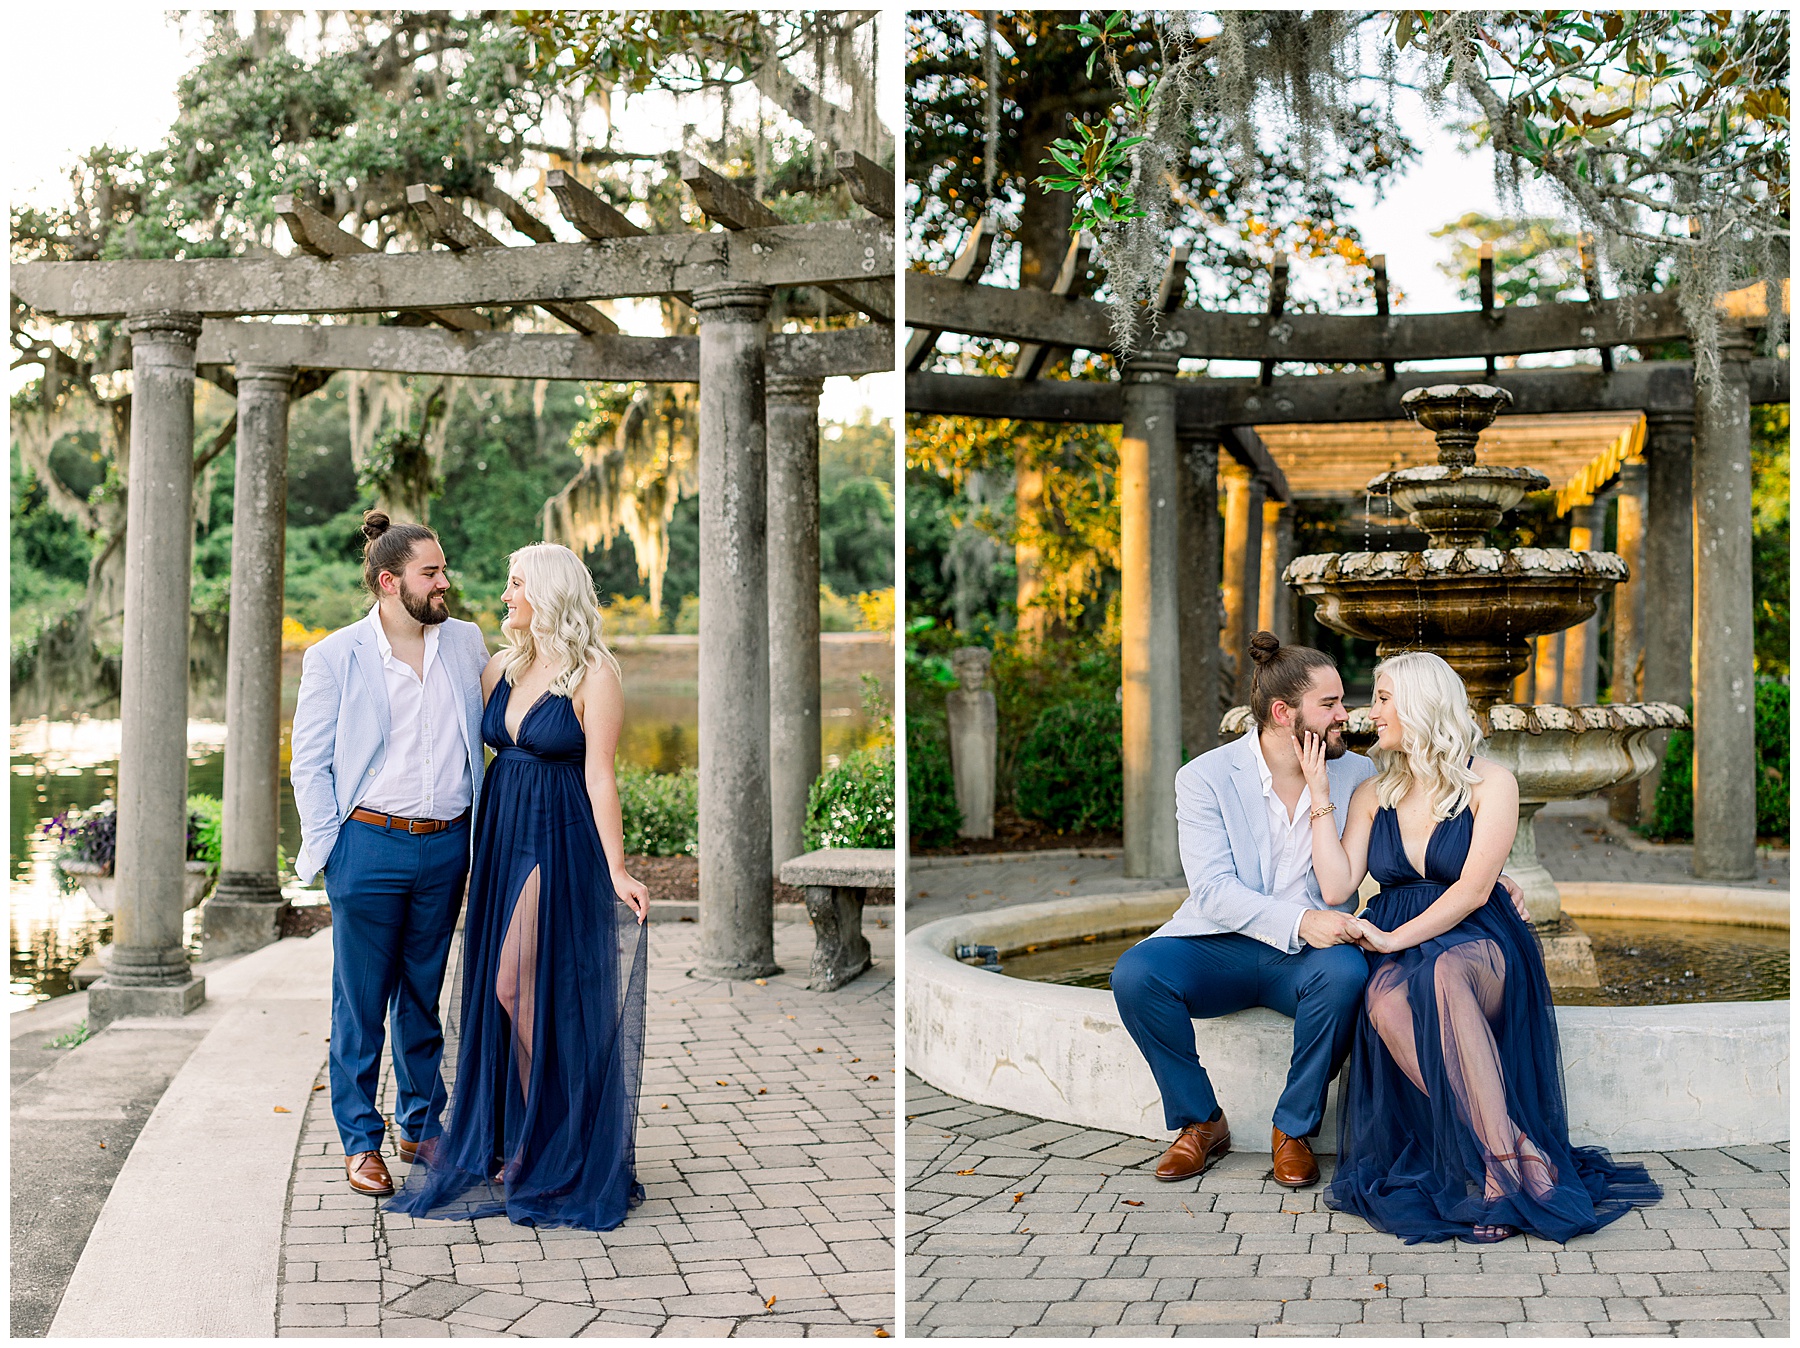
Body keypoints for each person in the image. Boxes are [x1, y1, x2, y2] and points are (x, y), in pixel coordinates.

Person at [1302, 650, 1660, 1243]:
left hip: (1480, 939)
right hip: (1403, 941)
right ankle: (1513, 1146)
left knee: (1445, 973)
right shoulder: (1373, 791)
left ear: (1420, 706)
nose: (1372, 711)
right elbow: (1338, 885)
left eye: (1385, 698)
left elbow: (1471, 890)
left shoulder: (1491, 783)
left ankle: (1497, 1172)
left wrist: (1391, 937)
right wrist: (1320, 795)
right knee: (1384, 1004)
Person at [387, 541, 651, 1231]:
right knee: (509, 993)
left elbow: (600, 776)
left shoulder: (595, 675)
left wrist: (617, 868)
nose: (505, 596)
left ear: (548, 591)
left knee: (516, 985)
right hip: (501, 836)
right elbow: (449, 745)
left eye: (515, 584)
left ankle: (557, 1138)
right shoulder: (502, 666)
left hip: (559, 837)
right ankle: (524, 1137)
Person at [290, 512, 490, 1198]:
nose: (444, 583)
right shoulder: (336, 655)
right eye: (430, 573)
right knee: (360, 1002)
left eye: (443, 570)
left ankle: (421, 1125)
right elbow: (309, 765)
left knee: (421, 998)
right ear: (387, 581)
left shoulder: (465, 642)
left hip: (446, 846)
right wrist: (335, 844)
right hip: (367, 845)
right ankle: (359, 1140)